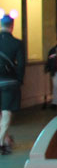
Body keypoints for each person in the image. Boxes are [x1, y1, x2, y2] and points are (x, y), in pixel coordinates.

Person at [0, 14, 26, 155]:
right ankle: (1, 141)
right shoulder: (17, 43)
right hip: (9, 82)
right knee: (6, 112)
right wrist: (20, 79)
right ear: (12, 26)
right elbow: (21, 65)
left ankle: (6, 140)